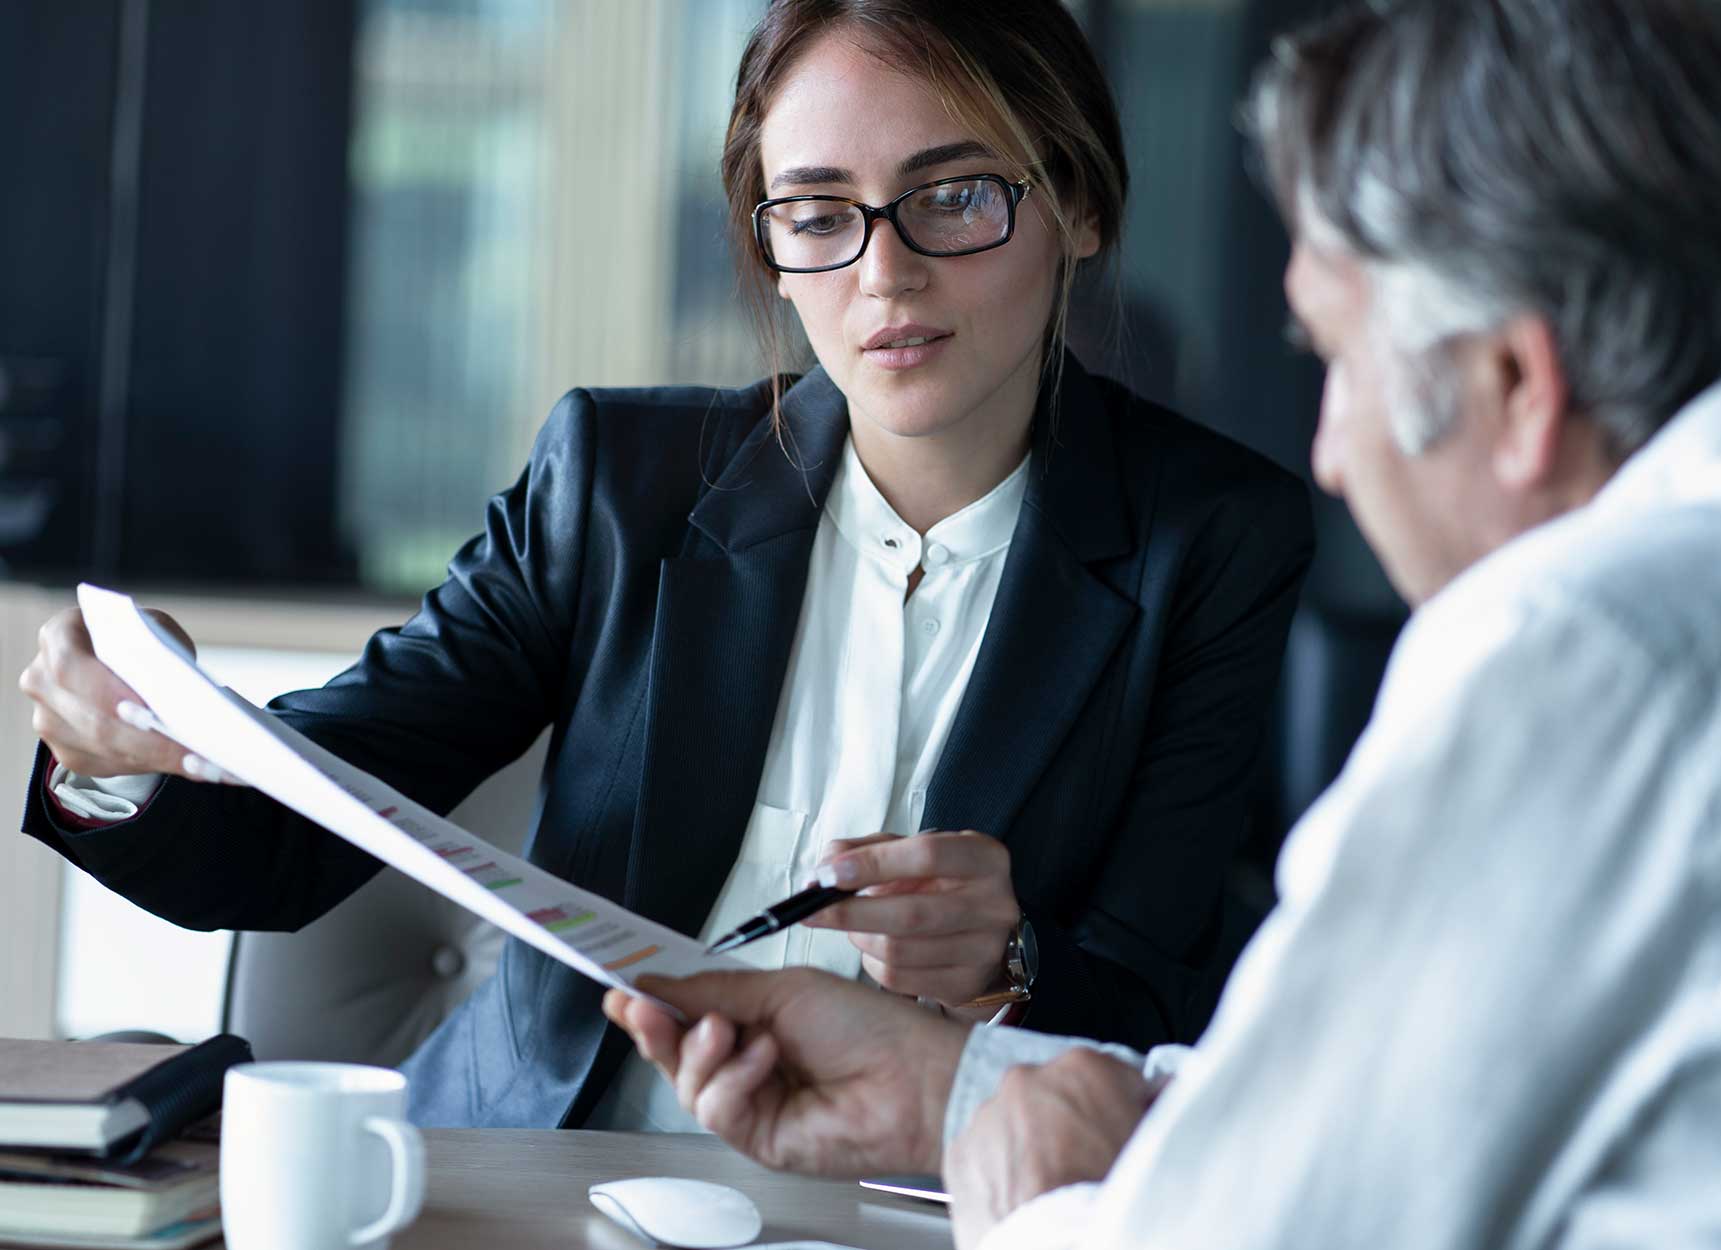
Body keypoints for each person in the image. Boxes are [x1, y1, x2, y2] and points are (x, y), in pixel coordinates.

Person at [599, 0, 1721, 1245]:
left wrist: (1029, 1204)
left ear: (1518, 382)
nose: (1327, 451)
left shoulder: (1591, 648)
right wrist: (947, 1088)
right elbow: (1388, 1089)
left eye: (1333, 357)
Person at [15, 0, 1314, 1130]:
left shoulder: (1211, 539)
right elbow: (292, 835)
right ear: (772, 246)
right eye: (819, 214)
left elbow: (1166, 1009)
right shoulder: (616, 482)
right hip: (536, 1179)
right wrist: (122, 752)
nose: (886, 271)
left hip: (925, 1202)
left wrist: (1009, 963)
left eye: (956, 196)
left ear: (1077, 206)